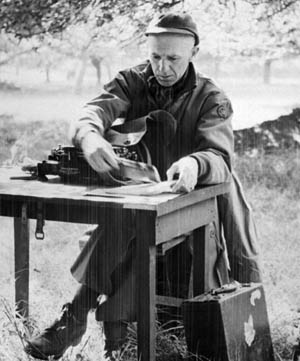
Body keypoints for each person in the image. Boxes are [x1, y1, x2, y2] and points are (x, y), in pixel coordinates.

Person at [24, 12, 261, 361]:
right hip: (144, 193)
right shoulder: (132, 81)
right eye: (155, 57)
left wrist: (195, 163)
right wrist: (90, 138)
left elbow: (220, 158)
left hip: (195, 201)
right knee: (130, 219)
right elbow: (91, 113)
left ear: (194, 52)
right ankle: (107, 342)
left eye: (173, 59)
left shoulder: (212, 98)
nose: (162, 67)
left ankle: (76, 322)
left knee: (126, 224)